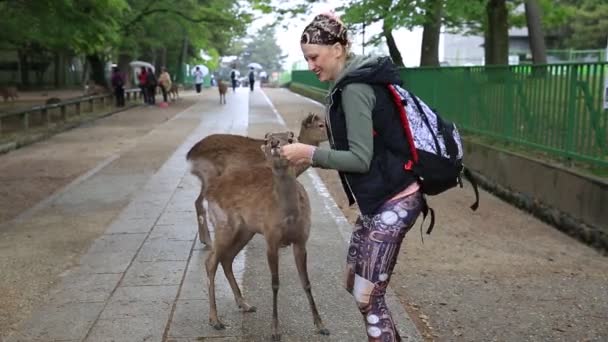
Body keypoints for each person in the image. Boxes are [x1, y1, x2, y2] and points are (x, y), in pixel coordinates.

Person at [281, 12, 423, 342]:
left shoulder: (355, 88)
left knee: (367, 295)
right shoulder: (348, 82)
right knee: (354, 281)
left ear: (338, 48)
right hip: (378, 200)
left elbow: (359, 159)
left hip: (398, 198)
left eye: (314, 57)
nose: (311, 65)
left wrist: (308, 153)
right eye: (306, 59)